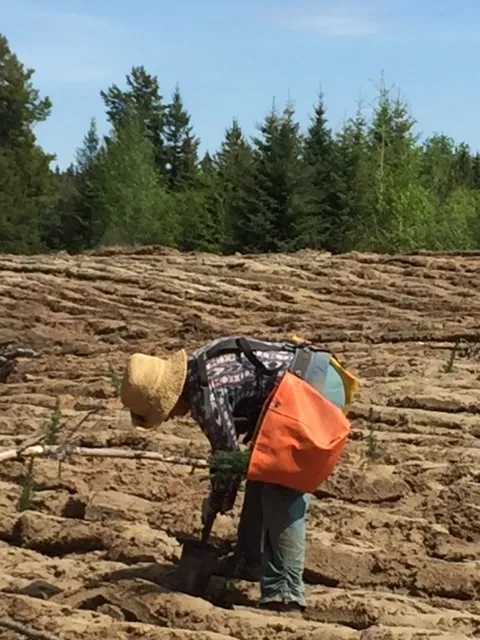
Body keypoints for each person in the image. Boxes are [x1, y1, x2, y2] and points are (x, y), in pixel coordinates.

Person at [120, 335, 357, 612]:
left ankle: (286, 595)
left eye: (164, 412)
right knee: (261, 472)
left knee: (280, 490)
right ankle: (248, 561)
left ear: (170, 399)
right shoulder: (200, 366)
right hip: (305, 381)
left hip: (312, 388)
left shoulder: (204, 394)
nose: (171, 418)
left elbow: (227, 457)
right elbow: (231, 459)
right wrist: (221, 493)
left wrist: (216, 501)